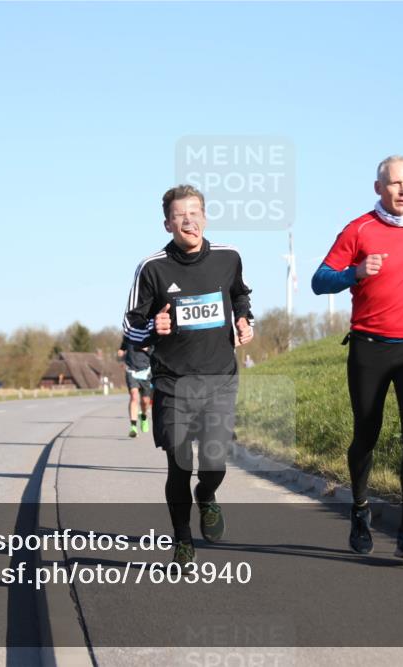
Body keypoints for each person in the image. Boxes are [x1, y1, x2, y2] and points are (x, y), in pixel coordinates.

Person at [311, 155, 403, 559]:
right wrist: (354, 274)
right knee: (367, 433)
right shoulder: (358, 230)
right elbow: (320, 281)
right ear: (378, 189)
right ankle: (359, 508)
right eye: (393, 184)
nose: (402, 190)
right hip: (369, 347)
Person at [122, 184, 254, 569]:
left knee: (214, 464)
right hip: (172, 381)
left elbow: (240, 295)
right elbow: (130, 327)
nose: (188, 221)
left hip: (219, 378)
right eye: (180, 215)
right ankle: (182, 540)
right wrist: (153, 326)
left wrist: (245, 319)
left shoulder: (229, 257)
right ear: (168, 224)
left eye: (194, 213)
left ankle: (207, 496)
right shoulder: (152, 267)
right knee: (179, 462)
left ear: (205, 217)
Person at [119, 342, 153, 438]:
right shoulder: (129, 334)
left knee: (145, 401)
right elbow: (122, 349)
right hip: (131, 370)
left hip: (146, 371)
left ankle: (144, 416)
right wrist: (121, 353)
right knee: (134, 396)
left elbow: (155, 353)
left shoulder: (150, 333)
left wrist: (147, 349)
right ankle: (133, 427)